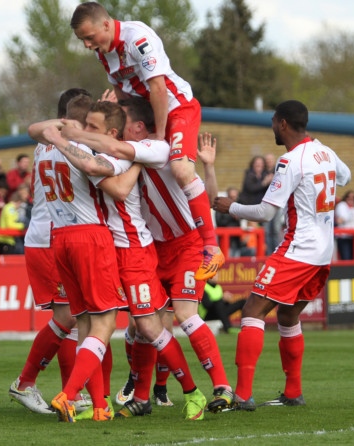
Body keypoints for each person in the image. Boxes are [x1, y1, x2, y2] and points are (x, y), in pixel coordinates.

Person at [61, 96, 230, 416]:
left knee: (182, 314)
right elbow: (110, 145)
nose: (117, 129)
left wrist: (66, 135)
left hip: (184, 245)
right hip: (153, 248)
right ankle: (140, 395)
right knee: (142, 326)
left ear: (138, 127)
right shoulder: (126, 150)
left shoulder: (157, 149)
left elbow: (204, 199)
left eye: (121, 121)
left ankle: (218, 386)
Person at [213, 100, 351, 409]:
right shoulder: (325, 151)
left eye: (274, 121)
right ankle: (293, 392)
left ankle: (243, 396)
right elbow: (345, 176)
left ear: (283, 123)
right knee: (288, 315)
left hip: (298, 249)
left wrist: (229, 207)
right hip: (322, 253)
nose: (272, 126)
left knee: (252, 312)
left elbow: (265, 211)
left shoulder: (290, 161)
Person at [70, 2, 225, 281]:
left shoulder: (137, 39)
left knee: (179, 169)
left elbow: (158, 88)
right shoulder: (104, 53)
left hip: (176, 109)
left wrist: (158, 134)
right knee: (145, 170)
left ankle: (211, 246)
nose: (86, 44)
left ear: (106, 24)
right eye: (82, 39)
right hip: (147, 114)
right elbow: (122, 91)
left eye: (89, 37)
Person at [31, 99, 128, 423]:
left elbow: (36, 130)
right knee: (105, 323)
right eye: (88, 125)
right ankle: (68, 394)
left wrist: (59, 132)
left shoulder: (42, 148)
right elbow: (94, 168)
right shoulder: (76, 148)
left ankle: (99, 406)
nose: (89, 131)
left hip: (60, 238)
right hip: (90, 237)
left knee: (85, 325)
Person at [8, 88, 92, 417]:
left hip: (50, 235)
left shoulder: (45, 141)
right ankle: (26, 382)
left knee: (70, 319)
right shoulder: (73, 146)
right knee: (68, 317)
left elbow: (36, 128)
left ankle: (73, 392)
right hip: (50, 238)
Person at [0, 185, 30, 255]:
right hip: (6, 240)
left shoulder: (9, 208)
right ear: (18, 202)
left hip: (8, 240)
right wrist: (23, 226)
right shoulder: (10, 208)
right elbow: (10, 225)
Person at [334, 190, 354, 260]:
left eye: (353, 198)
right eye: (349, 197)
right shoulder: (341, 205)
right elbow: (344, 218)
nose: (351, 200)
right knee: (346, 257)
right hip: (344, 236)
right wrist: (351, 209)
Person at [215, 186, 245, 257]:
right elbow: (219, 222)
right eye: (232, 197)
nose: (234, 199)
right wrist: (231, 215)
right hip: (225, 241)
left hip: (236, 240)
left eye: (235, 197)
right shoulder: (220, 206)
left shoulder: (238, 206)